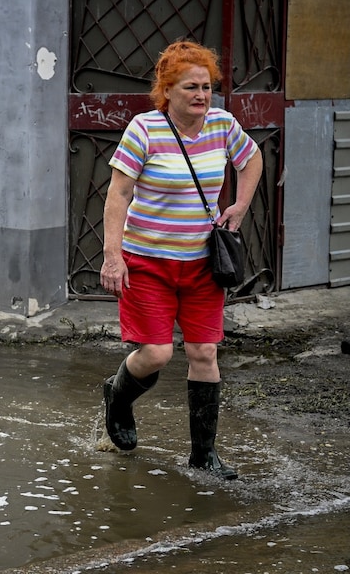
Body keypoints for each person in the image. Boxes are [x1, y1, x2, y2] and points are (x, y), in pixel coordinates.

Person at [99, 40, 263, 480]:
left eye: (207, 87)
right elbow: (118, 194)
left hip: (202, 263)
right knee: (155, 353)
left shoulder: (223, 125)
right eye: (190, 87)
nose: (201, 95)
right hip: (148, 261)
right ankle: (117, 396)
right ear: (166, 90)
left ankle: (203, 456)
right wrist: (113, 256)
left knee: (204, 352)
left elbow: (252, 159)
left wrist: (240, 206)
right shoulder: (144, 129)